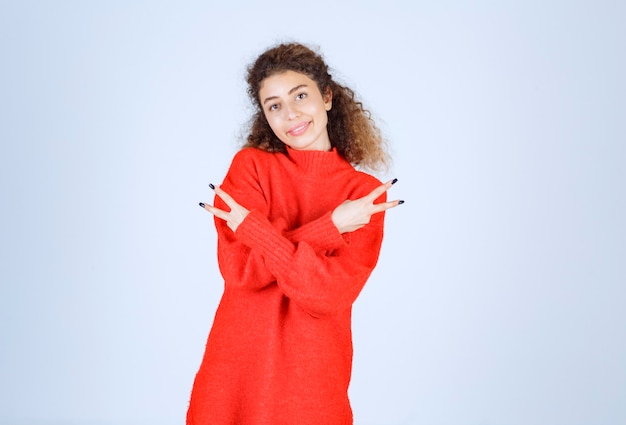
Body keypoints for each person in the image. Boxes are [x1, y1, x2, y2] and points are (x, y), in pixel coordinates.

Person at [188, 42, 403, 425]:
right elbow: (242, 273)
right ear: (266, 116)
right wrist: (331, 227)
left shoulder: (363, 195)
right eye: (274, 105)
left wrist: (256, 230)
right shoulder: (250, 168)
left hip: (313, 379)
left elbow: (325, 296)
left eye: (300, 95)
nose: (290, 114)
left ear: (328, 97)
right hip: (236, 373)